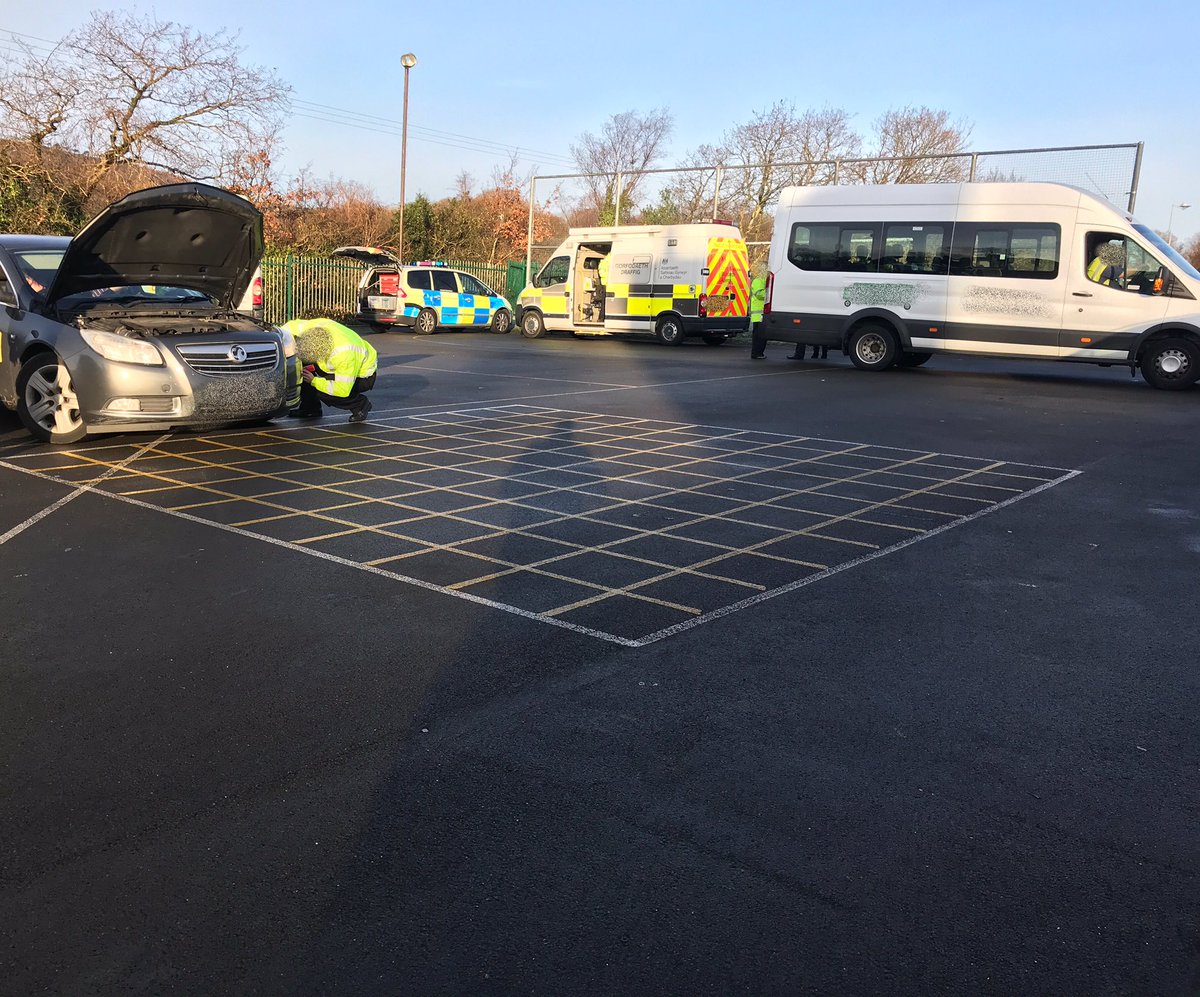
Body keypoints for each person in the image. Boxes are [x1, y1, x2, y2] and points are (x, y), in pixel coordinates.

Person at [281, 317, 378, 423]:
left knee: (322, 390)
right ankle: (310, 409)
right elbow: (286, 330)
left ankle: (359, 405)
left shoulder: (344, 355)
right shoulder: (310, 328)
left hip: (362, 376)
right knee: (302, 365)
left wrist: (314, 381)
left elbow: (341, 389)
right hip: (334, 360)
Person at [748, 267, 767, 359]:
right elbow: (759, 294)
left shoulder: (761, 280)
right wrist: (769, 293)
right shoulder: (758, 281)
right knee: (759, 336)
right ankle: (756, 353)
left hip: (760, 314)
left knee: (761, 336)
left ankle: (759, 353)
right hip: (758, 315)